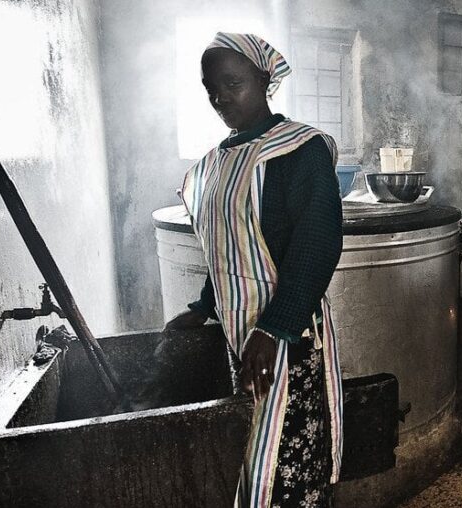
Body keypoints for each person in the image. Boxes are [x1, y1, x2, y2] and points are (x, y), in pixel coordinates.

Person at [164, 32, 344, 508]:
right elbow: (228, 246)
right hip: (236, 332)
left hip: (285, 334)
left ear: (264, 80)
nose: (220, 97)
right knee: (246, 455)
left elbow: (317, 246)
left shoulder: (300, 150)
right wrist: (203, 307)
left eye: (232, 82)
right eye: (210, 88)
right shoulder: (219, 162)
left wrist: (274, 328)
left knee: (287, 464)